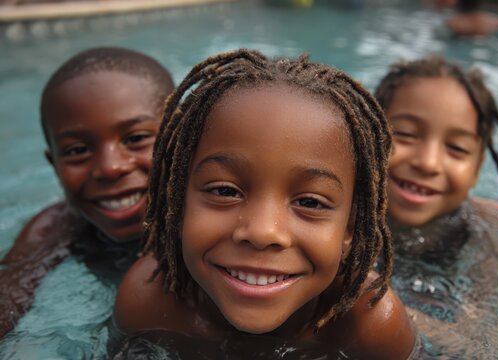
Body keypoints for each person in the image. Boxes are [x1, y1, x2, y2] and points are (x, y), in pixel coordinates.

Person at [113, 49, 417, 359]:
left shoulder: (371, 329)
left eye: (310, 201)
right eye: (224, 191)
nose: (262, 232)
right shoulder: (148, 304)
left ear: (350, 227)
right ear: (176, 205)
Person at [0, 47, 174, 338]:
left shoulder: (218, 217)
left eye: (136, 138)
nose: (110, 168)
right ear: (53, 164)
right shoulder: (55, 228)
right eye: (77, 150)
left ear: (180, 138)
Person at [374, 56, 498, 355]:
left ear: (477, 169)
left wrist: (374, 306)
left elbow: (486, 339)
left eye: (456, 148)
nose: (428, 163)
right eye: (405, 134)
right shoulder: (337, 213)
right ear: (368, 134)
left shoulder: (491, 226)